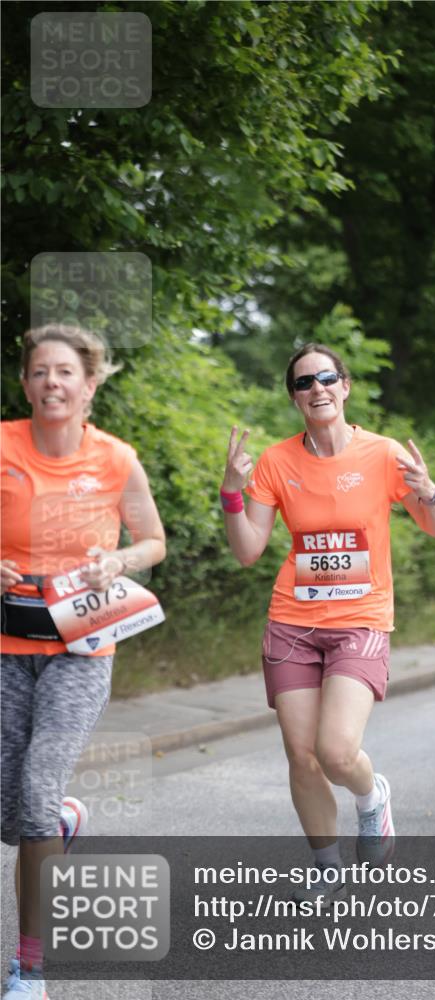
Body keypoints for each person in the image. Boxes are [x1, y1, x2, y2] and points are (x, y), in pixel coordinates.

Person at [221, 343, 435, 901]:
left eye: (327, 377)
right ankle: (326, 866)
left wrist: (429, 491)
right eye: (304, 382)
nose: (317, 388)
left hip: (361, 619)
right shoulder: (277, 462)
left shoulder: (383, 454)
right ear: (295, 397)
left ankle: (372, 798)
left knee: (337, 752)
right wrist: (231, 491)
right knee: (301, 755)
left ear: (345, 387)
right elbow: (249, 550)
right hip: (292, 622)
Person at [1, 324, 166, 1000]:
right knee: (14, 816)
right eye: (40, 371)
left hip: (82, 647)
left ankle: (27, 969)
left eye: (65, 372)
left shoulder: (116, 459)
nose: (52, 383)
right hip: (8, 646)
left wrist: (117, 561)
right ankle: (61, 822)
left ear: (90, 385)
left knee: (35, 791)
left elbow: (151, 540)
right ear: (25, 384)